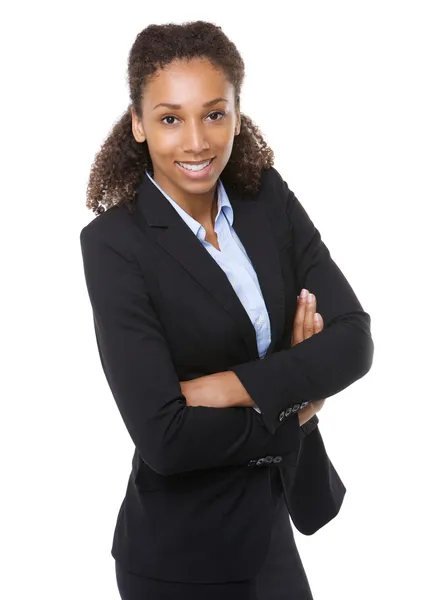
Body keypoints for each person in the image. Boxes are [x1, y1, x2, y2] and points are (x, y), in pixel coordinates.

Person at [80, 20, 374, 600]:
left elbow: (354, 340)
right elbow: (164, 436)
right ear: (138, 125)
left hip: (271, 531)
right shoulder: (115, 244)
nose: (196, 141)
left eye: (215, 113)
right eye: (170, 118)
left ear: (237, 115)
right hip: (178, 556)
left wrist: (234, 385)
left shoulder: (266, 199)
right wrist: (297, 404)